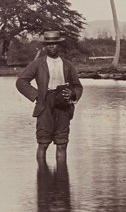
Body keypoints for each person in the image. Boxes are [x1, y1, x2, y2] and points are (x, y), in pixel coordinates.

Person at [15, 29, 83, 164]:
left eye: (54, 43)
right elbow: (21, 82)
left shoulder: (67, 64)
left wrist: (73, 93)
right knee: (43, 143)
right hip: (44, 106)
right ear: (45, 46)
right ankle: (43, 179)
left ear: (59, 45)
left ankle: (62, 181)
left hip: (63, 105)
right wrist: (36, 96)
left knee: (62, 143)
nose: (51, 46)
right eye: (48, 44)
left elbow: (77, 86)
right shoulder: (38, 63)